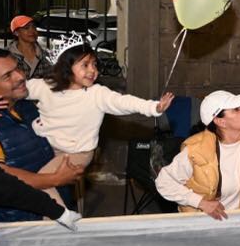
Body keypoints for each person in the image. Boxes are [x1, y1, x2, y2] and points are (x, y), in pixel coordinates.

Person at [24, 40, 173, 204]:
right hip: (47, 146)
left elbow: (123, 102)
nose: (92, 70)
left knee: (41, 182)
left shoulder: (97, 94)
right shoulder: (46, 86)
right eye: (85, 65)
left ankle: (60, 220)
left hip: (77, 153)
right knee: (24, 177)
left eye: (94, 65)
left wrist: (153, 107)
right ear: (66, 67)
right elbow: (16, 88)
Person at [0, 48, 83, 221]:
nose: (20, 76)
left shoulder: (27, 106)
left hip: (51, 214)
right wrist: (54, 179)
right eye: (7, 76)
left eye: (18, 68)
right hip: (17, 226)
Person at [6, 15, 52, 79]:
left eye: (34, 27)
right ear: (16, 33)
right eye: (26, 28)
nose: (32, 31)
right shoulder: (7, 56)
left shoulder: (46, 55)